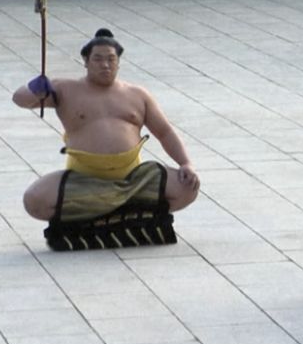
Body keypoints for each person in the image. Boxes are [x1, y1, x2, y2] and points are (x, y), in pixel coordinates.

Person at [12, 29, 201, 248]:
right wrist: (37, 86)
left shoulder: (138, 94)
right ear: (85, 61)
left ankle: (118, 210)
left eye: (111, 59)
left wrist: (185, 163)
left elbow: (165, 132)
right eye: (98, 59)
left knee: (188, 187)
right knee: (34, 201)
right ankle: (109, 210)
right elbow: (20, 99)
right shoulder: (65, 89)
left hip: (133, 179)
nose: (105, 65)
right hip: (83, 179)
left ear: (119, 62)